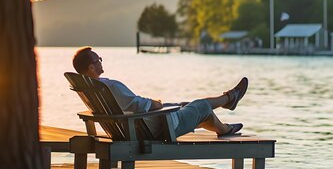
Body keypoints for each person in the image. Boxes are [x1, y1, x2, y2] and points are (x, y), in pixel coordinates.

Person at [71, 47, 248, 138]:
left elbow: (130, 106)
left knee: (188, 106)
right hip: (157, 128)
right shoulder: (109, 87)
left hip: (135, 127)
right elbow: (139, 104)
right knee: (201, 106)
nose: (101, 61)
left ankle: (224, 127)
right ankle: (229, 98)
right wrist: (156, 104)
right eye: (98, 59)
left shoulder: (91, 89)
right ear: (91, 66)